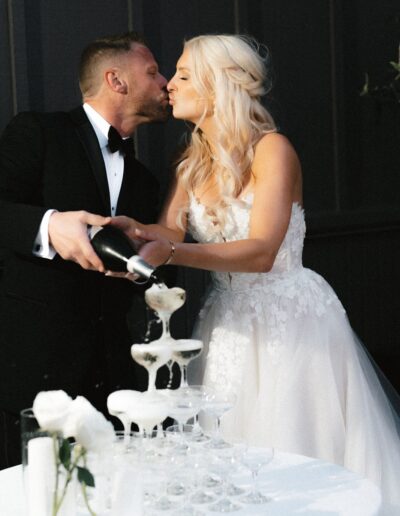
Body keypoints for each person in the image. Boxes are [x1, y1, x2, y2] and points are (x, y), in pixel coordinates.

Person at [111, 34, 400, 514]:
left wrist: (171, 253)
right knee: (234, 448)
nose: (171, 86)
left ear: (218, 84)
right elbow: (169, 229)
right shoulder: (191, 164)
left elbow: (263, 251)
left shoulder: (273, 151)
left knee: (297, 448)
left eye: (183, 75)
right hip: (227, 324)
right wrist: (136, 230)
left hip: (294, 325)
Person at [0, 31, 170, 468]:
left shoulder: (147, 182)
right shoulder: (39, 132)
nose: (165, 82)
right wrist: (49, 224)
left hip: (112, 381)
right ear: (116, 80)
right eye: (152, 72)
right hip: (32, 377)